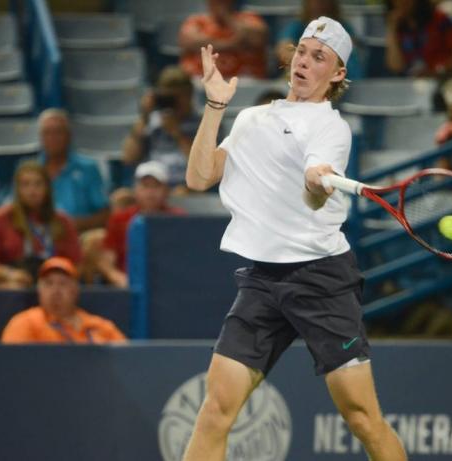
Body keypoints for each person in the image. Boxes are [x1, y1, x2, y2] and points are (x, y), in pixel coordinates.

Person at [181, 17, 407, 461]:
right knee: (215, 410)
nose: (304, 61)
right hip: (262, 280)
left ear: (338, 74)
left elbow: (315, 184)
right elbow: (198, 176)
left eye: (319, 57)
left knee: (363, 418)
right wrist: (214, 106)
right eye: (302, 51)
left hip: (321, 279)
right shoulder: (251, 118)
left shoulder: (330, 128)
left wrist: (318, 179)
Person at [0, 161, 81, 289]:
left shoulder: (63, 221)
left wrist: (60, 280)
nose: (32, 190)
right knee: (13, 287)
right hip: (13, 281)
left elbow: (77, 263)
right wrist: (9, 274)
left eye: (38, 184)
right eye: (25, 184)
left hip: (53, 280)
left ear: (47, 188)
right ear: (17, 189)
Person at [94, 161, 184, 288]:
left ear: (166, 191)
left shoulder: (178, 219)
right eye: (145, 186)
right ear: (136, 189)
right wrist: (117, 277)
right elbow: (106, 261)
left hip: (170, 285)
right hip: (129, 286)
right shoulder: (119, 219)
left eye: (156, 186)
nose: (150, 193)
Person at [1, 256, 126, 343]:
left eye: (63, 283)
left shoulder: (99, 326)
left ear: (75, 290)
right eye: (49, 283)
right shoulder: (25, 323)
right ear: (39, 290)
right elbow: (12, 367)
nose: (56, 290)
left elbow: (127, 360)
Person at [122, 66, 201, 192]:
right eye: (167, 97)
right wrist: (144, 115)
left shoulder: (204, 124)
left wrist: (177, 134)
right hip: (152, 182)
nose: (171, 102)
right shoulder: (150, 121)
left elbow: (202, 167)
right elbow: (129, 157)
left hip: (186, 185)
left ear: (189, 95)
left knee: (180, 193)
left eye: (175, 97)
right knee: (122, 197)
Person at [38, 108, 110, 232]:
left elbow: (104, 214)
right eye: (47, 133)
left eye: (58, 132)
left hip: (80, 238)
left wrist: (73, 225)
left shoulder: (88, 168)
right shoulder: (30, 171)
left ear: (69, 136)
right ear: (41, 138)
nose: (53, 138)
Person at [179, 0, 268, 79]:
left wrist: (227, 17)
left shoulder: (250, 18)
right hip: (201, 79)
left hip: (245, 79)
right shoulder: (196, 21)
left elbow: (257, 39)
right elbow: (190, 42)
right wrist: (231, 44)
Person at [275, 0, 363, 79]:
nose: (320, 3)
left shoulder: (343, 28)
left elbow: (349, 53)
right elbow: (284, 49)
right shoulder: (297, 26)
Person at [385, 0, 452, 78]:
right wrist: (392, 30)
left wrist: (435, 72)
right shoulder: (397, 27)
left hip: (442, 81)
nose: (402, 2)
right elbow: (396, 67)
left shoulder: (441, 20)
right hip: (409, 84)